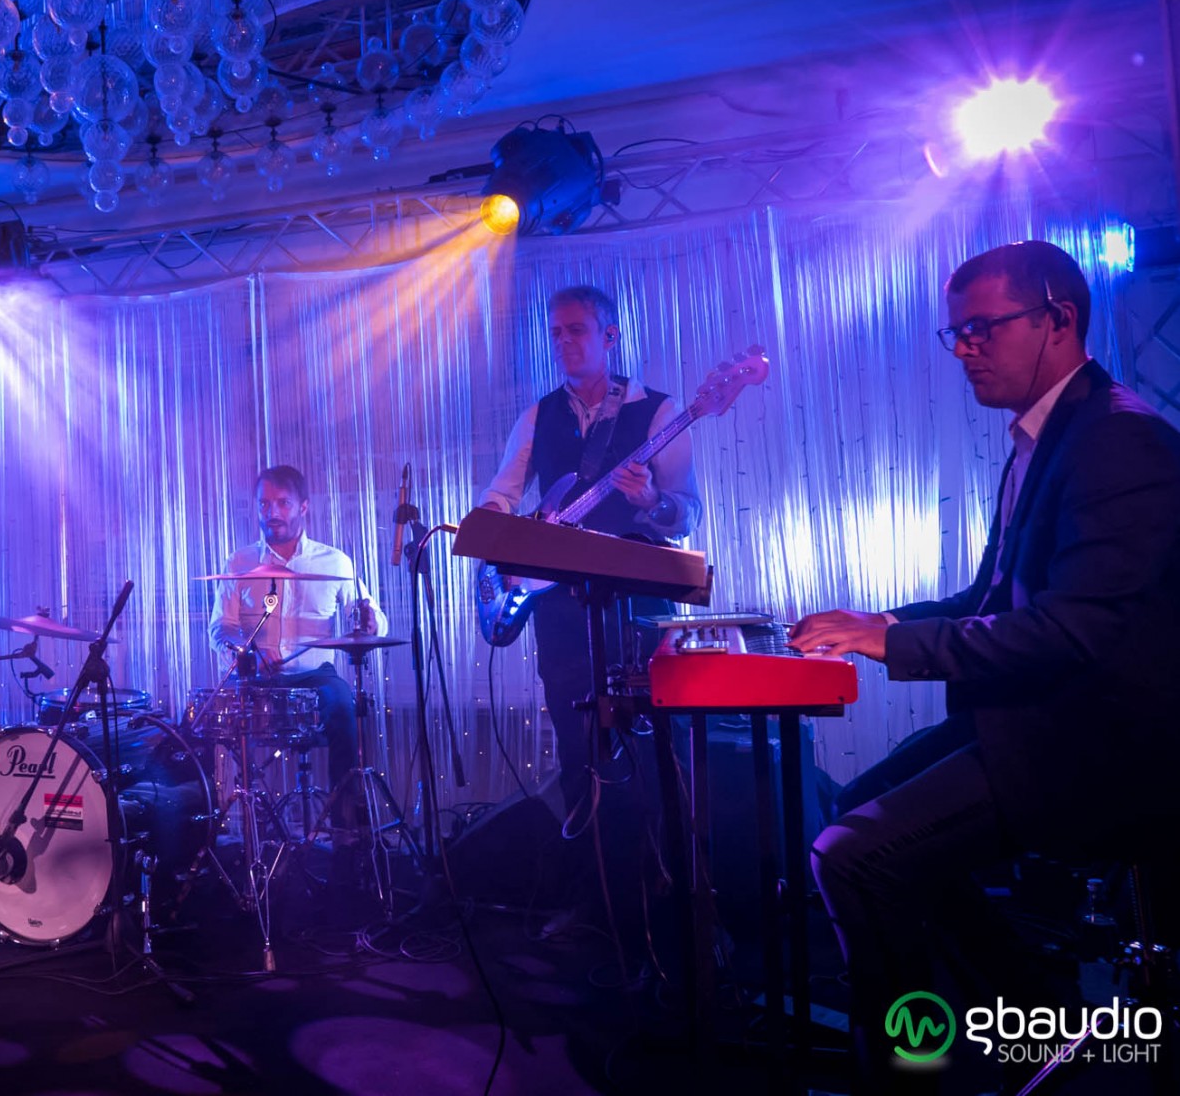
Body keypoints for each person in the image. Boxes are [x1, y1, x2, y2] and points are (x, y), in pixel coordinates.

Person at [792, 240, 1180, 1089]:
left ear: (1057, 321)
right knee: (851, 810)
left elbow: (1070, 631)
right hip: (1042, 722)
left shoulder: (1118, 439)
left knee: (851, 855)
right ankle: (1035, 1019)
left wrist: (891, 646)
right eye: (955, 333)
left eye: (981, 329)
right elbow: (992, 595)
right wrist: (880, 622)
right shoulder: (1048, 434)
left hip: (1102, 746)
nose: (962, 349)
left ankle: (911, 1075)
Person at [478, 284, 700, 836]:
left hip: (637, 610)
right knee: (578, 753)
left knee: (655, 756)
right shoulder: (538, 415)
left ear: (610, 335)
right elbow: (501, 495)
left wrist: (651, 498)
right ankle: (591, 881)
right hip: (561, 615)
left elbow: (686, 513)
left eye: (575, 329)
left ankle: (659, 877)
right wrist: (499, 549)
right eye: (556, 333)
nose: (563, 342)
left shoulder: (660, 410)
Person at [207, 464, 385, 828]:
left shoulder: (335, 562)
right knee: (207, 720)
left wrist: (370, 622)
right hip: (256, 677)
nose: (271, 512)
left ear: (303, 507)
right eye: (264, 504)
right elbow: (220, 627)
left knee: (343, 707)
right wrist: (248, 651)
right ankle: (252, 825)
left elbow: (372, 617)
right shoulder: (239, 562)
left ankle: (345, 826)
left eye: (282, 503)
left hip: (316, 675)